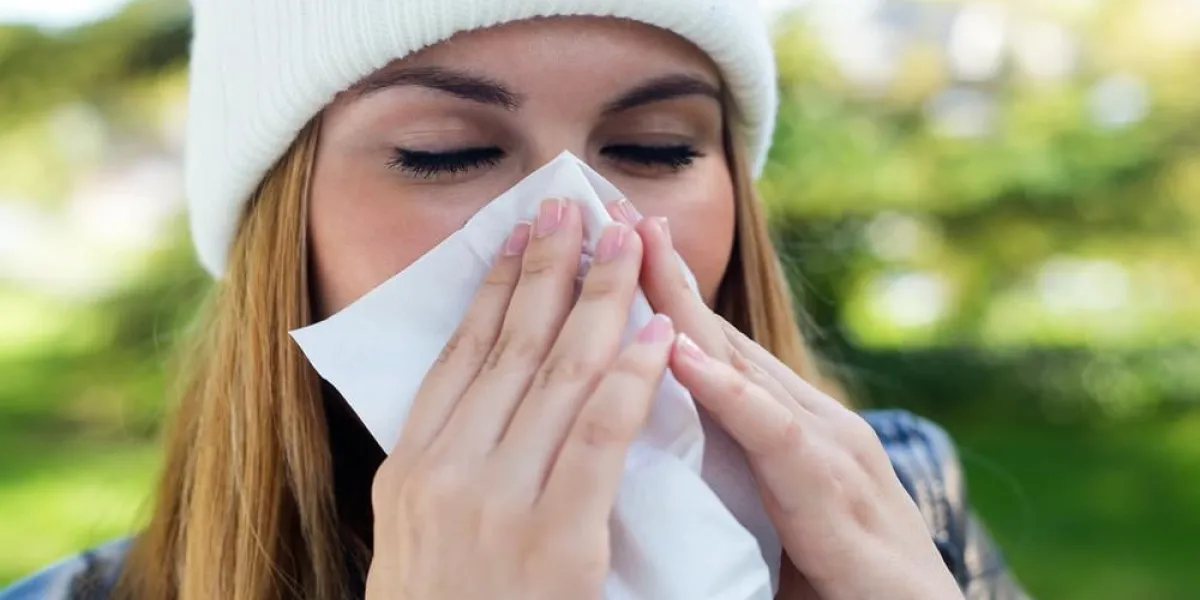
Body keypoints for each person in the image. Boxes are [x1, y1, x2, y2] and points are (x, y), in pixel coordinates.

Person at [1, 1, 1030, 599]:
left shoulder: (900, 497)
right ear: (283, 223)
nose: (574, 232)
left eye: (656, 148)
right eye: (445, 153)